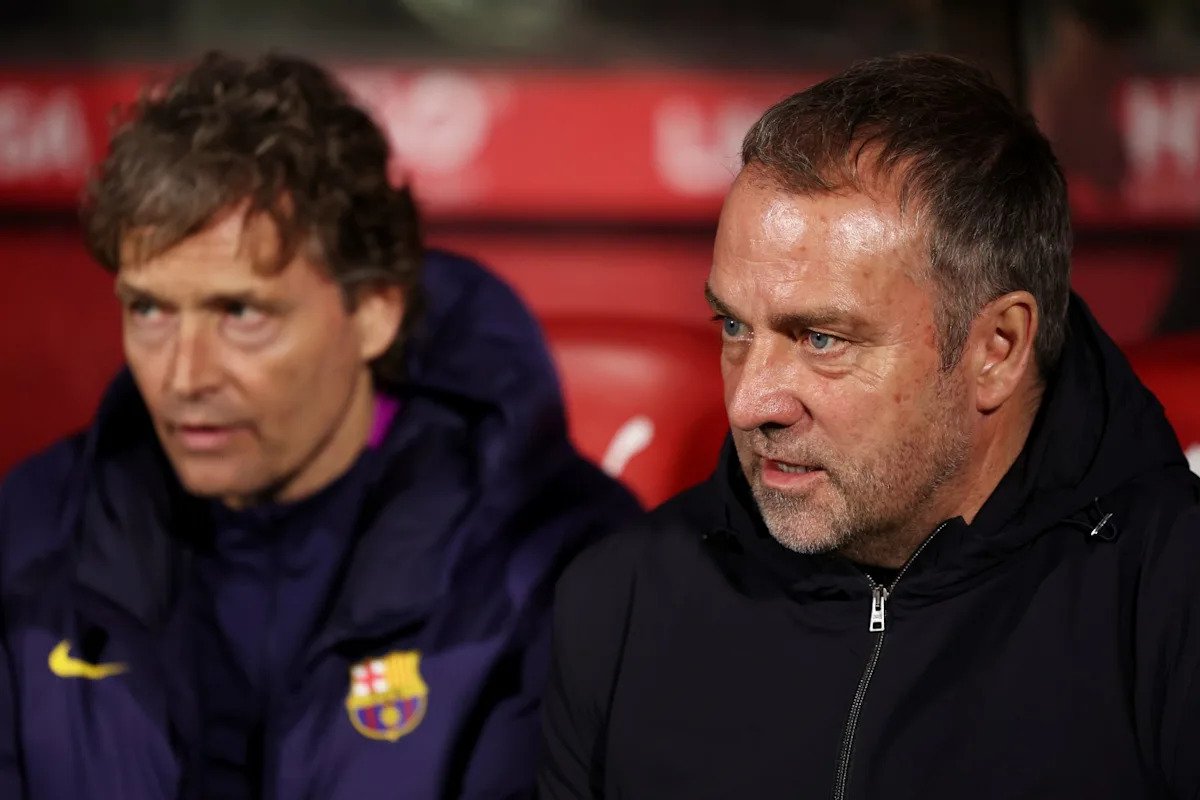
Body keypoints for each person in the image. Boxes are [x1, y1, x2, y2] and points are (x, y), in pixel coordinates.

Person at [539, 53, 1200, 799]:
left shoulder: (1171, 600)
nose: (751, 402)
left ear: (997, 348)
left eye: (822, 339)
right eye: (734, 326)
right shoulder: (621, 600)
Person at [0, 51, 640, 799]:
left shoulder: (559, 566)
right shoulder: (30, 533)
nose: (183, 377)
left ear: (373, 312)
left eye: (241, 313)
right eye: (148, 310)